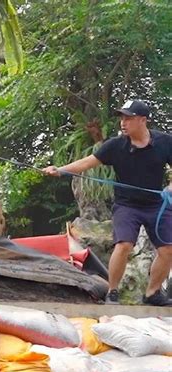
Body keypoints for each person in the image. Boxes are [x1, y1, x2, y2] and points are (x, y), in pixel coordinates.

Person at [43, 100, 172, 306]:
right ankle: (112, 292)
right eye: (122, 118)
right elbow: (87, 163)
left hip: (156, 205)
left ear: (143, 120)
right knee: (124, 244)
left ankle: (152, 293)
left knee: (168, 250)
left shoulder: (165, 142)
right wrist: (60, 170)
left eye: (128, 118)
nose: (123, 122)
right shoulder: (114, 146)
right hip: (126, 205)